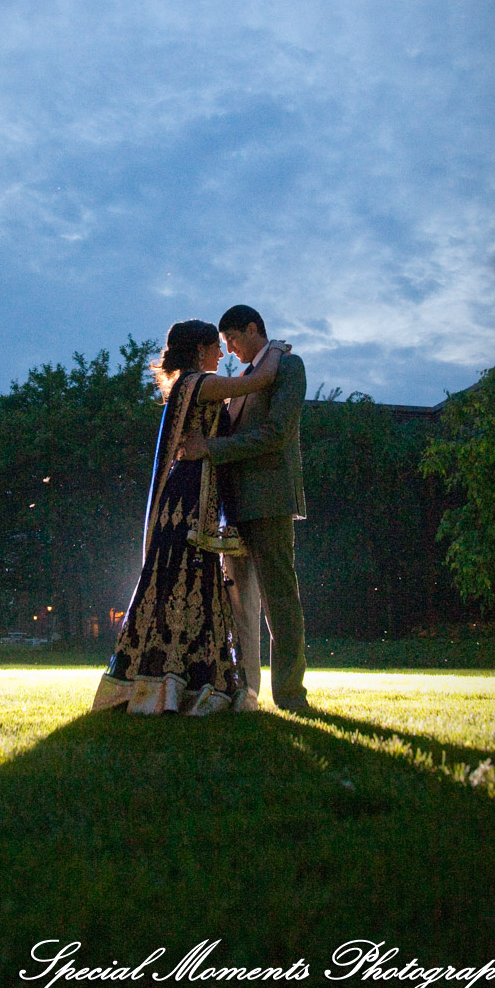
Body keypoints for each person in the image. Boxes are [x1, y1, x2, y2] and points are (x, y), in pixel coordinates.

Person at [92, 319, 286, 716]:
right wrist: (278, 350)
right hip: (188, 496)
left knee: (191, 581)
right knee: (183, 579)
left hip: (196, 492)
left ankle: (185, 683)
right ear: (199, 350)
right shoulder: (199, 383)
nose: (222, 353)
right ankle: (174, 684)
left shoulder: (188, 385)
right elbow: (258, 381)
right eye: (216, 346)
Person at [180, 304, 309, 713]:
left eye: (233, 339)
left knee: (280, 602)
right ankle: (246, 693)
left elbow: (275, 433)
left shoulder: (288, 366)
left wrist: (212, 449)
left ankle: (290, 694)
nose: (229, 349)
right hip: (234, 509)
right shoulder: (245, 377)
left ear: (252, 329)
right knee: (240, 608)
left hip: (269, 501)